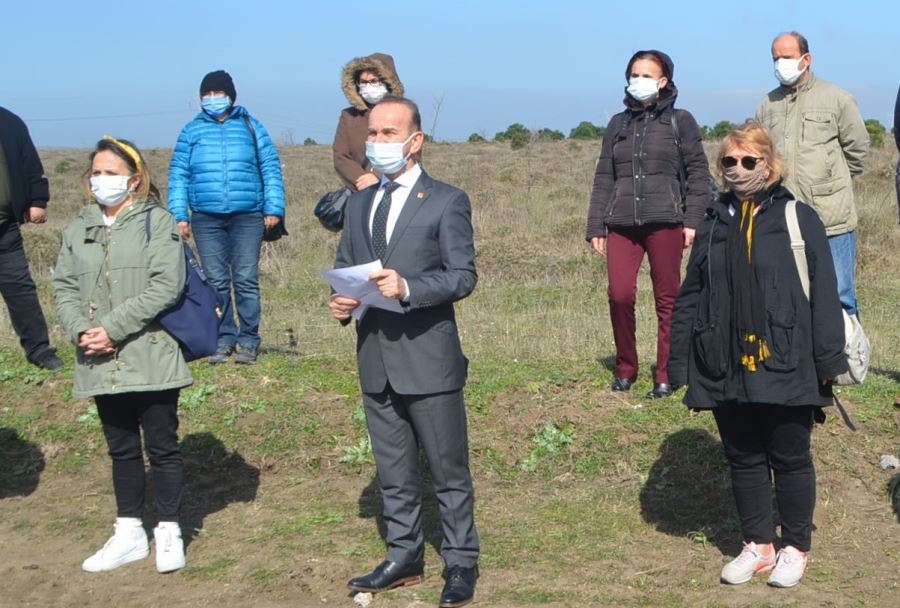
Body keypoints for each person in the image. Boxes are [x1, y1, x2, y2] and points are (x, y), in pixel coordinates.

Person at [668, 122, 848, 588]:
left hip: (787, 358)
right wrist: (679, 360)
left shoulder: (797, 218)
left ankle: (795, 547)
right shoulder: (712, 222)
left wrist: (829, 361)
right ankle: (759, 544)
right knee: (743, 455)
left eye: (750, 161)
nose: (739, 170)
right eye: (730, 161)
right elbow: (691, 293)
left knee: (790, 456)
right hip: (723, 360)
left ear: (769, 164)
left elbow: (824, 295)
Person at [329, 96, 479, 608]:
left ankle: (460, 562)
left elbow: (462, 276)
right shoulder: (359, 202)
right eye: (372, 133)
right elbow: (347, 264)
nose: (377, 143)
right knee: (393, 471)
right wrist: (342, 302)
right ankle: (404, 557)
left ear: (415, 141)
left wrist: (409, 287)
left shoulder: (446, 200)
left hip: (428, 359)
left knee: (447, 471)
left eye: (389, 134)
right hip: (375, 358)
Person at [52, 137, 192, 573]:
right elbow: (64, 285)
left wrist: (111, 329)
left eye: (110, 173)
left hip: (150, 351)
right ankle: (129, 531)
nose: (101, 180)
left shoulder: (158, 222)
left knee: (163, 445)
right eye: (95, 172)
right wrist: (82, 330)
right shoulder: (79, 226)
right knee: (121, 448)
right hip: (97, 356)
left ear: (134, 179)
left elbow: (166, 285)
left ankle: (169, 530)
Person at [585, 50, 711, 399]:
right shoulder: (617, 123)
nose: (638, 81)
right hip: (622, 222)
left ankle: (666, 372)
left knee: (667, 299)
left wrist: (692, 220)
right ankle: (626, 367)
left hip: (666, 221)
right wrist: (596, 225)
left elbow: (699, 173)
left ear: (663, 81)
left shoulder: (680, 121)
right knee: (620, 295)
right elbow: (603, 176)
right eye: (634, 74)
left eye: (646, 75)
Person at [168, 70, 285, 365]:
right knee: (216, 281)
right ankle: (223, 338)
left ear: (231, 96)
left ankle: (249, 339)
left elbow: (270, 167)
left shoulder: (251, 126)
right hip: (205, 218)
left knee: (245, 279)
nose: (211, 99)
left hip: (248, 215)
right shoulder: (190, 131)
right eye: (206, 95)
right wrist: (180, 215)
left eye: (217, 94)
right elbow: (178, 174)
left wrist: (274, 209)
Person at [756, 31, 869, 316]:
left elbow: (858, 151)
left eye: (787, 57)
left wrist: (830, 183)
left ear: (806, 59)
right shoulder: (767, 105)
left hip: (831, 217)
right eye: (776, 58)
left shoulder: (838, 98)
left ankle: (848, 358)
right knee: (790, 294)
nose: (780, 63)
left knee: (840, 293)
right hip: (783, 216)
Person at [0, 106, 62, 370]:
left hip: (4, 228)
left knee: (21, 289)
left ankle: (39, 349)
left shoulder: (9, 122)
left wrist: (38, 200)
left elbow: (30, 164)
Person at [334, 53, 405, 191]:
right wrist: (362, 180)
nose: (368, 87)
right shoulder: (348, 116)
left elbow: (409, 153)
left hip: (397, 188)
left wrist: (377, 176)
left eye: (373, 81)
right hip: (359, 192)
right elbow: (340, 156)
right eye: (363, 82)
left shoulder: (405, 114)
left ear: (388, 82)